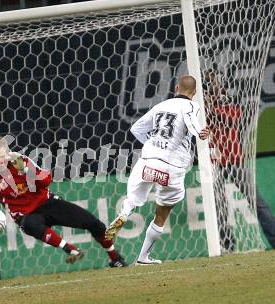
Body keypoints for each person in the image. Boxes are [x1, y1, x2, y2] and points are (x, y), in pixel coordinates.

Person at [0, 137, 126, 268]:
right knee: (29, 224)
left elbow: (46, 180)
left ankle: (115, 258)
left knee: (95, 224)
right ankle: (71, 249)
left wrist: (26, 169)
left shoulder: (21, 161)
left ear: (8, 153)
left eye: (3, 156)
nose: (1, 161)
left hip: (48, 203)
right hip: (27, 216)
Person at [105, 75, 209, 264]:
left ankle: (124, 213)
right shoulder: (192, 105)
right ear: (194, 92)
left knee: (134, 198)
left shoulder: (160, 106)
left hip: (148, 159)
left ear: (176, 88)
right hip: (172, 166)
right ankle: (143, 256)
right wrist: (199, 132)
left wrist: (154, 146)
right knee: (162, 213)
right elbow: (191, 119)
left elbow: (136, 129)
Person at [204, 69, 275, 250]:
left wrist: (212, 106)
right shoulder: (200, 108)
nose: (215, 87)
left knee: (258, 203)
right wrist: (206, 105)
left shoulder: (231, 104)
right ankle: (228, 247)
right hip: (213, 163)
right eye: (210, 84)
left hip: (236, 160)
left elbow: (232, 120)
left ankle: (274, 240)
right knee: (219, 208)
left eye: (217, 84)